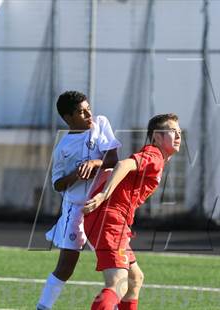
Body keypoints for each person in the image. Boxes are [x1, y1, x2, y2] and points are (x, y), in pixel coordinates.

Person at [83, 113, 181, 310]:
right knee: (118, 284)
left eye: (179, 132)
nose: (178, 135)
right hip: (110, 220)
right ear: (157, 137)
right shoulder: (154, 155)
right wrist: (103, 195)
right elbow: (123, 164)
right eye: (172, 131)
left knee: (135, 279)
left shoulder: (157, 157)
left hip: (113, 220)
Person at [37, 91, 121, 310]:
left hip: (103, 206)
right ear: (68, 117)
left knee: (118, 264)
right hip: (75, 210)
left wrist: (94, 163)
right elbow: (57, 184)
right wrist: (75, 174)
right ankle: (43, 307)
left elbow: (113, 159)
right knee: (66, 266)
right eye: (81, 112)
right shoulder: (62, 148)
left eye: (88, 108)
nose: (88, 114)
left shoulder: (101, 124)